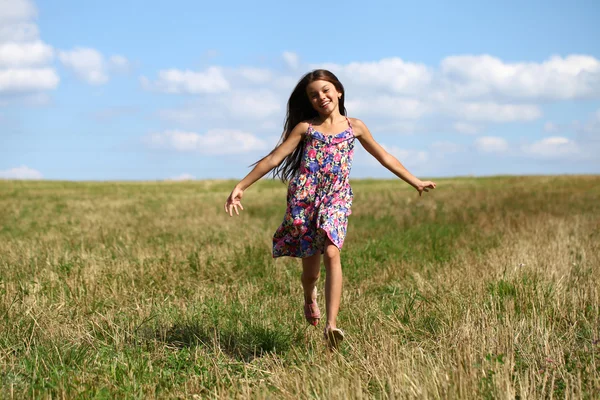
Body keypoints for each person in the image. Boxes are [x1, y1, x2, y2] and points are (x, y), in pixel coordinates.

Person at [224, 69, 436, 349]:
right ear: (309, 102)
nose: (320, 97)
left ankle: (331, 326)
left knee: (333, 252)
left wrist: (415, 182)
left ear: (338, 91)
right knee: (310, 271)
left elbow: (384, 156)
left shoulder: (354, 126)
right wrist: (242, 186)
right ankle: (309, 295)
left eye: (325, 90)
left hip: (336, 198)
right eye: (313, 95)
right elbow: (275, 157)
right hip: (304, 200)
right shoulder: (305, 128)